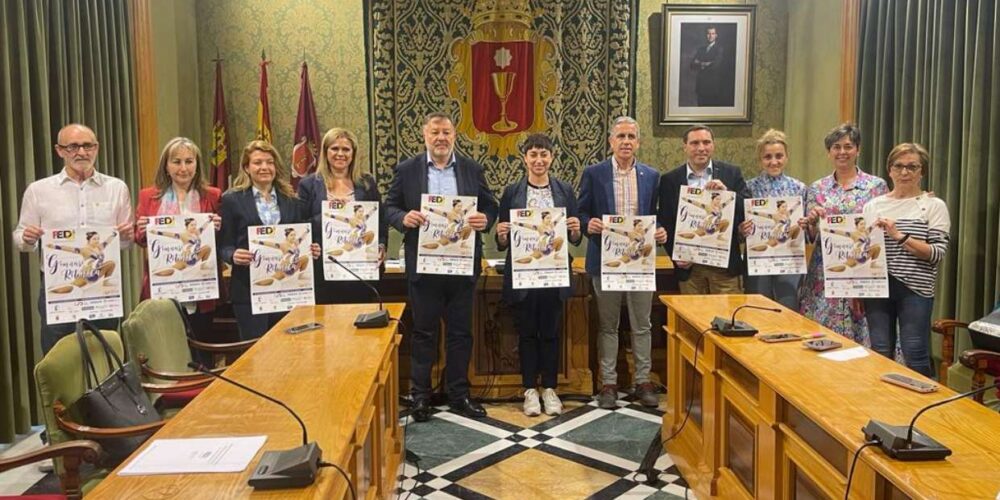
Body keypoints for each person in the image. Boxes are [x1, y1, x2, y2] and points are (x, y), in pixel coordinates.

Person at [384, 112, 498, 422]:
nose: (441, 138)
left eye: (446, 132)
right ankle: (421, 397)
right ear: (425, 136)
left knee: (461, 333)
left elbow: (490, 205)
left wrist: (484, 219)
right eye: (435, 132)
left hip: (461, 266)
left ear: (454, 136)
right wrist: (401, 218)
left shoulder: (472, 169)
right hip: (424, 266)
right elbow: (390, 207)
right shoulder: (407, 170)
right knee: (424, 332)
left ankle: (459, 394)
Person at [13, 124, 133, 354]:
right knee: (59, 360)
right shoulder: (38, 191)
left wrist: (127, 236)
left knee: (106, 357)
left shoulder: (117, 188)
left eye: (87, 145)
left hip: (103, 290)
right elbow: (21, 238)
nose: (81, 152)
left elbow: (125, 244)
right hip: (58, 289)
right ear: (60, 151)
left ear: (96, 148)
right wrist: (27, 237)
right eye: (73, 146)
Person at [578, 116, 668, 409]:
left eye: (631, 137)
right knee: (608, 325)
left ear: (638, 142)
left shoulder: (652, 176)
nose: (626, 142)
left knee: (643, 324)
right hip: (606, 262)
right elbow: (580, 213)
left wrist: (661, 230)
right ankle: (608, 383)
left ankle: (643, 381)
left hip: (640, 263)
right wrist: (586, 223)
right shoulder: (594, 173)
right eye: (621, 136)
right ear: (611, 142)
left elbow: (658, 215)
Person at [495, 133, 582, 416]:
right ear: (525, 159)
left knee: (551, 332)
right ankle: (530, 389)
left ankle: (551, 389)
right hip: (524, 274)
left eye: (544, 154)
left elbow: (576, 237)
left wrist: (575, 228)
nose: (539, 160)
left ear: (552, 157)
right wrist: (502, 235)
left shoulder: (565, 190)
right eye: (533, 154)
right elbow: (501, 241)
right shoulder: (512, 192)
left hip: (554, 273)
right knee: (527, 333)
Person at [862, 143, 950, 376]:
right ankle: (885, 405)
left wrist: (899, 235)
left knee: (915, 352)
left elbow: (936, 254)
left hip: (915, 290)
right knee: (880, 352)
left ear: (922, 171)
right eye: (898, 166)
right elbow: (864, 251)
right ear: (889, 170)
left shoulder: (934, 206)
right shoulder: (873, 206)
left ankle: (923, 409)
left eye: (912, 167)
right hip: (877, 288)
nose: (904, 172)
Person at [797, 123, 888, 344]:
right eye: (836, 147)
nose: (842, 152)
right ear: (829, 152)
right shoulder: (817, 188)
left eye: (848, 146)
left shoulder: (876, 187)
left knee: (863, 337)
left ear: (858, 149)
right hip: (824, 273)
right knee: (821, 334)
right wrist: (808, 222)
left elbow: (882, 231)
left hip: (862, 272)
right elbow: (810, 236)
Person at [219, 140, 317, 340]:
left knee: (290, 349)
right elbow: (224, 245)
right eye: (257, 162)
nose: (264, 167)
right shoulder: (232, 199)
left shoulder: (292, 199)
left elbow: (302, 238)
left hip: (289, 289)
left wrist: (312, 249)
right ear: (246, 167)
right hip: (249, 291)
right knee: (254, 354)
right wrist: (232, 255)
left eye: (269, 162)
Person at [135, 138, 222, 345]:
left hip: (200, 290)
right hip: (162, 287)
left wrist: (219, 227)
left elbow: (220, 241)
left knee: (201, 350)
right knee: (166, 349)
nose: (183, 168)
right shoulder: (149, 197)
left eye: (189, 161)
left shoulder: (213, 196)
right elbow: (139, 239)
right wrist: (141, 229)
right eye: (176, 161)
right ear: (166, 165)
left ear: (197, 164)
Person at [659, 124, 750, 295]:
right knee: (691, 319)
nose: (701, 148)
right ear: (685, 146)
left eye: (706, 142)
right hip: (690, 268)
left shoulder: (731, 173)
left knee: (728, 319)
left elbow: (747, 209)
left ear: (713, 145)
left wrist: (727, 194)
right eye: (694, 143)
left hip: (724, 266)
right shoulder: (670, 180)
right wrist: (676, 256)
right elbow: (666, 222)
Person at [297, 128, 386, 303]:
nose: (340, 154)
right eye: (334, 148)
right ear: (325, 152)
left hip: (360, 269)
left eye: (346, 149)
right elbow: (300, 224)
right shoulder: (308, 184)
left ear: (353, 153)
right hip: (323, 269)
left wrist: (381, 245)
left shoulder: (366, 183)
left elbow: (380, 221)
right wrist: (330, 215)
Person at [738, 130, 807, 309]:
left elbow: (808, 230)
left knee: (789, 307)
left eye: (779, 156)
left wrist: (804, 225)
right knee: (757, 309)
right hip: (758, 257)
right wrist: (742, 229)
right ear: (760, 159)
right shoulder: (748, 187)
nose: (774, 161)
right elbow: (739, 226)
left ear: (786, 157)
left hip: (789, 258)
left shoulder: (799, 188)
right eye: (767, 157)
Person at [690, 26, 726, 106]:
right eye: (708, 33)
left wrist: (699, 63)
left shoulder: (719, 49)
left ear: (716, 35)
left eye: (712, 33)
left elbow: (715, 65)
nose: (710, 36)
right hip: (701, 87)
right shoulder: (701, 49)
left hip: (712, 88)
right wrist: (705, 63)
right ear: (706, 35)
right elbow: (692, 65)